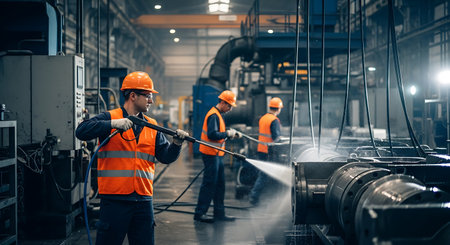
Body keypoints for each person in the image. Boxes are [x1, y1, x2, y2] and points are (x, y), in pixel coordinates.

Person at [75, 71, 189, 245]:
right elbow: (81, 131)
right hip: (115, 201)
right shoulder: (110, 117)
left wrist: (176, 144)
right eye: (148, 96)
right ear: (133, 96)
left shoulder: (151, 125)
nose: (151, 100)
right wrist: (112, 124)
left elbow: (165, 156)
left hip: (143, 201)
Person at [193, 90, 242, 223]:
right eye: (229, 106)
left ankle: (219, 213)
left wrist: (230, 134)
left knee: (220, 185)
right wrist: (227, 133)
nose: (230, 109)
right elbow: (212, 134)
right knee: (209, 184)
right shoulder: (214, 115)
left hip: (216, 154)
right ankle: (200, 213)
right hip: (210, 154)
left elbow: (217, 135)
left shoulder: (218, 115)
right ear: (223, 102)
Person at [249, 97, 283, 206]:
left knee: (263, 174)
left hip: (261, 149)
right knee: (265, 175)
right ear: (278, 109)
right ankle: (254, 197)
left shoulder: (263, 118)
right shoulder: (274, 120)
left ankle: (256, 196)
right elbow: (276, 137)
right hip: (269, 151)